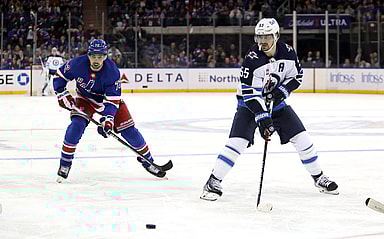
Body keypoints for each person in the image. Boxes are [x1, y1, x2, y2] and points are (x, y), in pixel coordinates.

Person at [200, 18, 338, 201]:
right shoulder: (252, 58)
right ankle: (213, 181)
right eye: (259, 37)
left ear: (276, 36)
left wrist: (282, 90)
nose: (262, 41)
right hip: (248, 105)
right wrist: (263, 118)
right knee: (237, 142)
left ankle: (319, 177)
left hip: (277, 105)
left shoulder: (288, 53)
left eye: (266, 37)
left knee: (302, 138)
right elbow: (249, 93)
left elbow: (296, 76)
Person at [53, 39, 165, 183]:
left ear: (105, 56)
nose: (96, 60)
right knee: (76, 125)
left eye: (100, 57)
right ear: (88, 55)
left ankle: (148, 161)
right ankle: (65, 163)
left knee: (129, 130)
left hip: (106, 102)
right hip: (84, 99)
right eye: (93, 56)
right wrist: (61, 94)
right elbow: (59, 77)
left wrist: (108, 121)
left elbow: (112, 102)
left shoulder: (112, 72)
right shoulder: (77, 64)